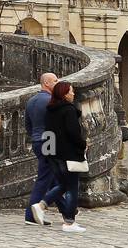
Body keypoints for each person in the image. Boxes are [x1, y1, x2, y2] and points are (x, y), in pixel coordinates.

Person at [32, 81, 89, 233]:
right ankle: (69, 223)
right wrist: (83, 144)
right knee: (72, 188)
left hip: (53, 154)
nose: (73, 93)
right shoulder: (69, 110)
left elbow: (49, 132)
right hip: (68, 154)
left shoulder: (50, 110)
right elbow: (73, 133)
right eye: (71, 91)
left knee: (64, 185)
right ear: (64, 94)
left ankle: (41, 205)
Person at [25, 73, 60, 227]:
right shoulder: (51, 101)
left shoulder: (31, 101)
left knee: (53, 179)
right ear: (46, 83)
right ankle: (31, 214)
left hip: (37, 140)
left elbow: (28, 125)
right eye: (55, 81)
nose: (57, 83)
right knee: (45, 178)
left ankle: (67, 210)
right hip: (49, 140)